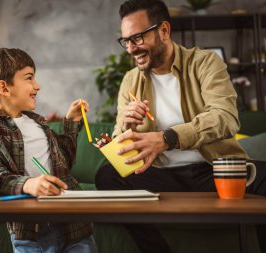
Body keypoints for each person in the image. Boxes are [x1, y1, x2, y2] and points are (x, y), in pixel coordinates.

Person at [94, 0, 266, 252]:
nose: (131, 48)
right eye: (126, 40)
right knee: (107, 176)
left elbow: (225, 117)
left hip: (212, 171)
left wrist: (168, 138)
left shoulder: (205, 63)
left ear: (164, 30)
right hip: (161, 177)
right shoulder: (130, 80)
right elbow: (122, 151)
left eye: (138, 38)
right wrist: (125, 128)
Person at [0, 48, 97, 253]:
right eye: (29, 78)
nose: (37, 85)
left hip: (73, 225)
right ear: (4, 87)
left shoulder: (38, 122)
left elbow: (65, 162)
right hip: (30, 231)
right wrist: (28, 184)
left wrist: (71, 122)